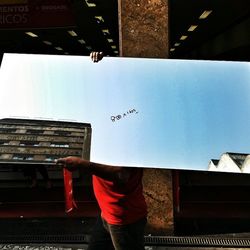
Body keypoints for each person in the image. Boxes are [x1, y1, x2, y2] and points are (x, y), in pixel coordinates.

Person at [57, 51, 147, 250]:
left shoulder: (130, 127)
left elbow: (122, 173)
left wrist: (82, 164)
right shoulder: (108, 120)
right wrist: (97, 65)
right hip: (108, 213)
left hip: (123, 218)